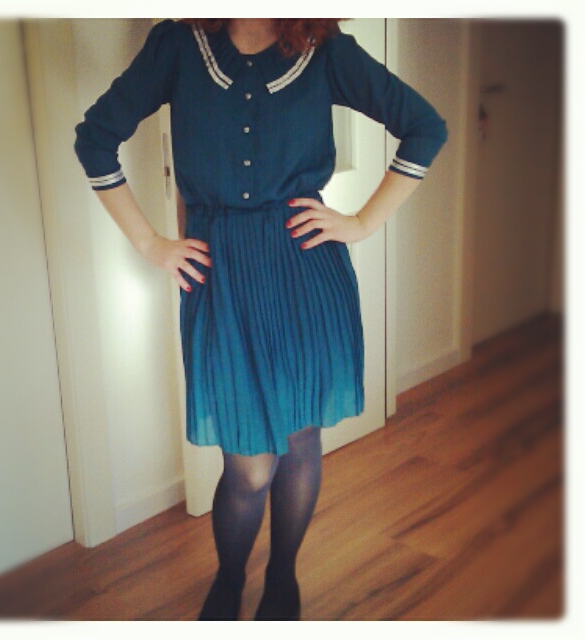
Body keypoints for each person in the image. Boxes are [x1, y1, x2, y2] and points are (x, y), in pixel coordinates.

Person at [74, 18, 448, 621]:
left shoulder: (326, 50)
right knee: (248, 466)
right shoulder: (179, 47)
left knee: (300, 441)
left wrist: (360, 222)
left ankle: (282, 574)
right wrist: (150, 243)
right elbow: (94, 138)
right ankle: (229, 578)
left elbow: (426, 127)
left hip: (306, 271)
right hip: (220, 275)